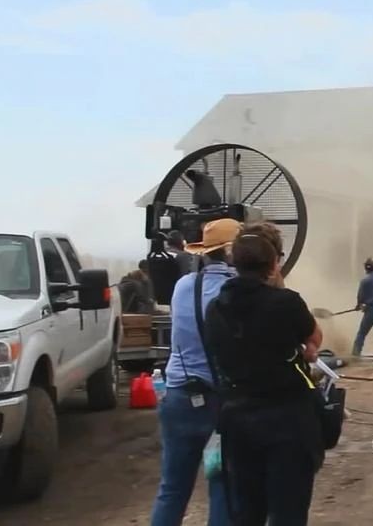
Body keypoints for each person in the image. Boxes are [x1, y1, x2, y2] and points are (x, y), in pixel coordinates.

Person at [204, 222, 325, 524]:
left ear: (234, 261)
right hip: (287, 420)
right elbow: (314, 341)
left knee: (247, 511)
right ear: (273, 265)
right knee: (288, 511)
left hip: (238, 419)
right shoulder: (286, 303)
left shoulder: (215, 308)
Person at [150, 219, 241, 526]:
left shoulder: (184, 285)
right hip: (219, 399)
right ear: (233, 251)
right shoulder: (235, 290)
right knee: (222, 484)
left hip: (178, 394)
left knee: (172, 487)